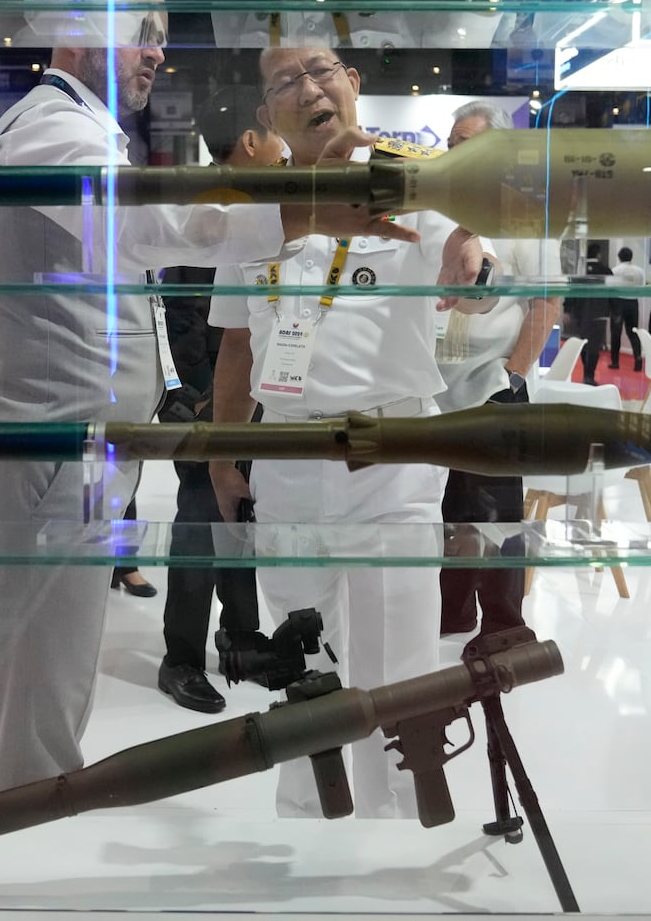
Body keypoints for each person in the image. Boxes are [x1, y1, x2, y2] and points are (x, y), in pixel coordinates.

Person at [0, 0, 417, 794]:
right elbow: (144, 226)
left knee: (54, 665)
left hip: (83, 450)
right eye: (142, 29)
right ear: (74, 28)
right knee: (41, 678)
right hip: (48, 448)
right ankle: (19, 831)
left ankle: (31, 808)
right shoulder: (54, 131)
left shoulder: (79, 129)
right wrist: (306, 206)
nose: (158, 53)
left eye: (162, 33)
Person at [207, 45, 489, 818]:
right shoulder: (252, 214)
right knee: (301, 641)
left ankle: (399, 810)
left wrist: (471, 255)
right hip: (286, 451)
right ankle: (309, 808)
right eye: (284, 82)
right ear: (268, 116)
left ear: (354, 85)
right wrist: (222, 457)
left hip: (391, 453)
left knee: (397, 640)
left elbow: (467, 276)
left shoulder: (414, 188)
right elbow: (234, 343)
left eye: (321, 70)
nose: (308, 88)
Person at [155, 85, 287, 714]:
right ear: (252, 141)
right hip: (207, 397)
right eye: (277, 137)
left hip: (254, 394)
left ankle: (240, 636)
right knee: (199, 523)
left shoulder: (263, 206)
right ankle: (180, 656)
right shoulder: (208, 209)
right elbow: (182, 312)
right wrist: (201, 399)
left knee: (241, 517)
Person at [433, 102, 559, 638]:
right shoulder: (433, 210)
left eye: (469, 145)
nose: (455, 154)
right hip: (430, 388)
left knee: (498, 511)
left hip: (492, 385)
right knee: (445, 510)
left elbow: (546, 304)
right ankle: (452, 614)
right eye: (451, 144)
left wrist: (512, 374)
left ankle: (505, 625)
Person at [565, 242, 614, 384]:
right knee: (595, 344)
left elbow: (571, 292)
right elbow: (612, 293)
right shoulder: (606, 271)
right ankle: (589, 375)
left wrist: (567, 309)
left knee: (583, 342)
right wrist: (615, 311)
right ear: (598, 254)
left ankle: (587, 370)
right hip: (600, 312)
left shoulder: (579, 271)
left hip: (580, 312)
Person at [608, 246, 645, 371]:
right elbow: (641, 285)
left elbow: (610, 287)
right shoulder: (639, 271)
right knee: (634, 332)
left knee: (615, 333)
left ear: (619, 257)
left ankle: (615, 362)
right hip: (633, 303)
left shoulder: (615, 270)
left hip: (618, 303)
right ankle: (638, 358)